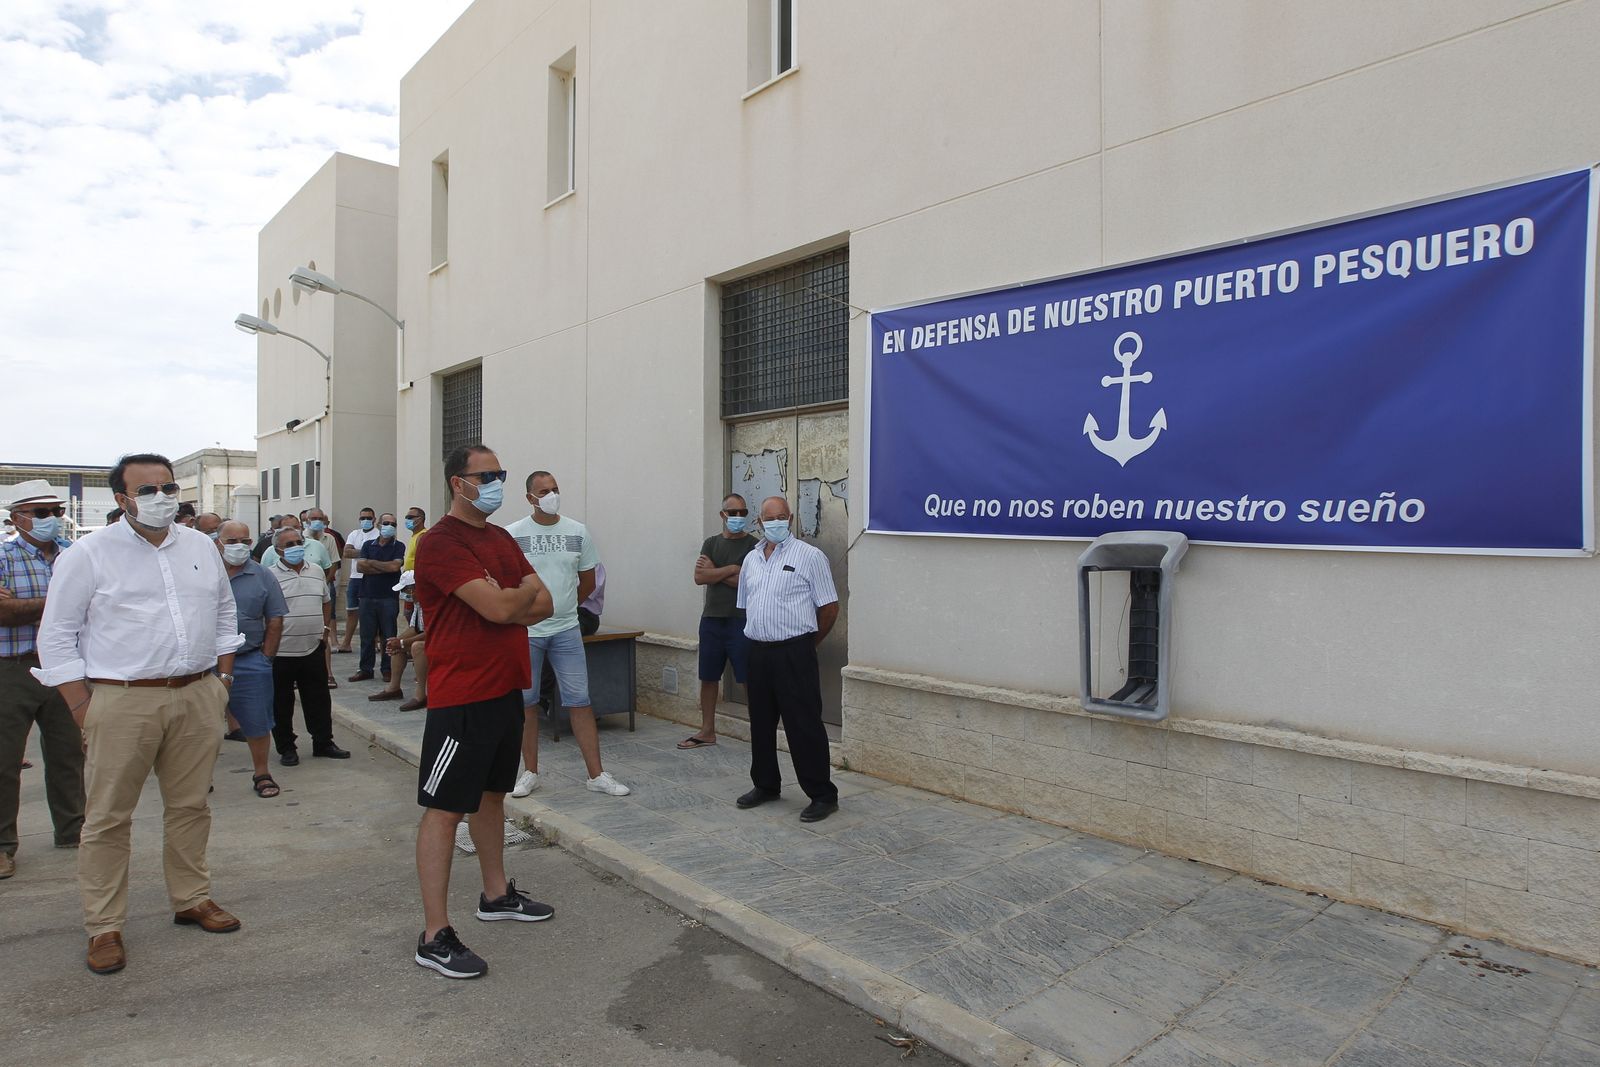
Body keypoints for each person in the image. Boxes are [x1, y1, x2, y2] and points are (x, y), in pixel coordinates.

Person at [33, 454, 244, 976]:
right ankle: (103, 926)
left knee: (191, 806)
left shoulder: (200, 546)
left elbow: (223, 611)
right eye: (146, 489)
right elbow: (56, 636)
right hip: (120, 698)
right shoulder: (88, 554)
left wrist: (223, 680)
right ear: (122, 498)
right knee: (107, 818)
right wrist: (83, 706)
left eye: (168, 486)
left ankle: (192, 897)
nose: (161, 496)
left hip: (197, 692)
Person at [413, 444, 556, 979]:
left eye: (501, 473)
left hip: (505, 689)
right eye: (486, 475)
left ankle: (496, 895)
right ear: (459, 483)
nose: (496, 481)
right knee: (446, 809)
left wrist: (509, 596)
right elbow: (502, 606)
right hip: (461, 697)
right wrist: (510, 598)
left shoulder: (498, 539)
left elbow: (547, 602)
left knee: (492, 796)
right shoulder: (440, 543)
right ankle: (433, 934)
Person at [505, 472, 629, 799]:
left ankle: (596, 774)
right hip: (527, 633)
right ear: (530, 498)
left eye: (555, 489)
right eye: (543, 491)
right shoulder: (513, 535)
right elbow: (507, 583)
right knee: (527, 704)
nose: (551, 495)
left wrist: (565, 606)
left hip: (566, 630)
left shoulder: (577, 531)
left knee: (580, 701)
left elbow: (587, 581)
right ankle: (529, 772)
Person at [734, 496, 840, 823]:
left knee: (803, 724)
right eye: (770, 519)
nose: (776, 523)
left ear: (790, 519)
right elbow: (746, 605)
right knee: (761, 723)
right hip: (759, 651)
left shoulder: (810, 556)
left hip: (795, 652)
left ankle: (822, 794)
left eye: (782, 517)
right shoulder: (751, 559)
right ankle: (766, 784)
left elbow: (829, 607)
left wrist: (808, 644)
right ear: (759, 523)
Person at [0, 480, 86, 880]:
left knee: (69, 754)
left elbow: (98, 605)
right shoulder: (3, 556)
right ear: (17, 518)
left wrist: (27, 606)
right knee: (5, 762)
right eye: (41, 513)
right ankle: (3, 846)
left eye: (56, 512)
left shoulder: (75, 555)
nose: (52, 519)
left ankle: (74, 829)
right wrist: (61, 602)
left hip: (65, 666)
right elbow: (4, 613)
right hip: (13, 668)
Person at [265, 526, 348, 765]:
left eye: (298, 542)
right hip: (281, 651)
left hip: (312, 647)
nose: (295, 547)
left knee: (318, 698)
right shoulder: (269, 575)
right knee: (282, 703)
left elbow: (326, 601)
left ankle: (323, 742)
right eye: (289, 544)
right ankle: (287, 748)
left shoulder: (316, 571)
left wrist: (324, 630)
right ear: (278, 549)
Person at [683, 494, 758, 749]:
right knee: (709, 676)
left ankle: (758, 730)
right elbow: (699, 577)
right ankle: (707, 730)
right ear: (722, 515)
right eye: (732, 512)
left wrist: (715, 571)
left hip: (742, 620)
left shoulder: (753, 546)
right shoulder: (711, 543)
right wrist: (731, 569)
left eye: (743, 513)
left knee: (748, 677)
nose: (738, 518)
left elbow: (746, 582)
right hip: (712, 619)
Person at [217, 521, 286, 797]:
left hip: (249, 660)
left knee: (257, 721)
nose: (238, 547)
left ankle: (262, 773)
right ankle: (199, 778)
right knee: (201, 724)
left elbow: (276, 619)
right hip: (207, 664)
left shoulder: (262, 575)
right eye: (231, 541)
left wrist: (266, 658)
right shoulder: (203, 574)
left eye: (244, 541)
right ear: (218, 542)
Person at [352, 514, 405, 683]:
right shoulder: (368, 544)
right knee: (366, 636)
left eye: (393, 524)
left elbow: (395, 566)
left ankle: (387, 669)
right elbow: (360, 567)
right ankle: (365, 669)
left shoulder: (399, 546)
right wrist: (384, 567)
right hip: (367, 595)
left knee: (388, 635)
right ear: (379, 524)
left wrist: (372, 563)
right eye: (386, 523)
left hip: (388, 596)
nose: (389, 526)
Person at [371, 572, 428, 711]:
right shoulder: (418, 604)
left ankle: (421, 694)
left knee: (416, 647)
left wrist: (403, 643)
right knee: (397, 644)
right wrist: (398, 640)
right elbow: (414, 628)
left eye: (405, 590)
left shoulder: (429, 603)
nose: (405, 595)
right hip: (427, 637)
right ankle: (394, 687)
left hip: (438, 641)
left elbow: (430, 632)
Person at [337, 507, 378, 651]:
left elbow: (377, 554)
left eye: (368, 518)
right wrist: (367, 552)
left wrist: (360, 552)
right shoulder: (354, 534)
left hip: (371, 577)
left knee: (371, 612)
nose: (365, 521)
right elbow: (346, 552)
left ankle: (376, 642)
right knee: (351, 611)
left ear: (374, 519)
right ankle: (346, 643)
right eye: (362, 518)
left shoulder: (378, 534)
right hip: (355, 578)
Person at [402, 506, 428, 571]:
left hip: (414, 577)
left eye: (410, 517)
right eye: (406, 517)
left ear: (420, 519)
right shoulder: (415, 535)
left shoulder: (422, 536)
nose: (407, 520)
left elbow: (423, 561)